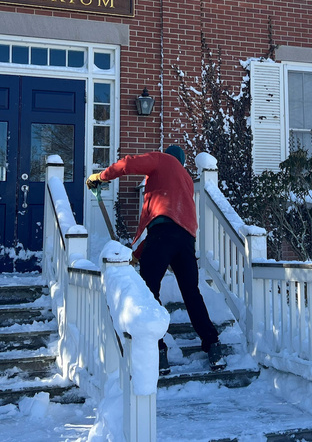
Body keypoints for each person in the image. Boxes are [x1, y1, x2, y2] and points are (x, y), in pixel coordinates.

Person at [86, 145, 221, 371]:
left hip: (163, 237)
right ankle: (213, 345)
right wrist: (138, 254)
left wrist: (101, 176)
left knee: (148, 291)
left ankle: (157, 351)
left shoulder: (161, 160)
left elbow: (128, 164)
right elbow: (168, 223)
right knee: (191, 293)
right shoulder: (186, 178)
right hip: (186, 240)